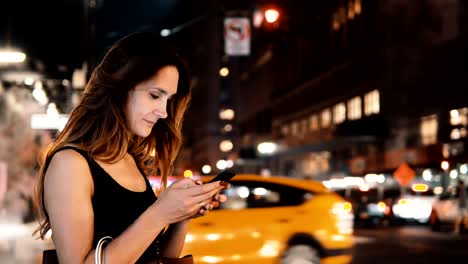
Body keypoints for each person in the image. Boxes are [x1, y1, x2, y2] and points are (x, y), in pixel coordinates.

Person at [34, 32, 229, 263]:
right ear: (119, 88)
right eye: (155, 95)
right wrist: (159, 213)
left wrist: (180, 217)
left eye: (168, 100)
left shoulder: (129, 159)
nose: (164, 112)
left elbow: (156, 258)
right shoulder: (70, 164)